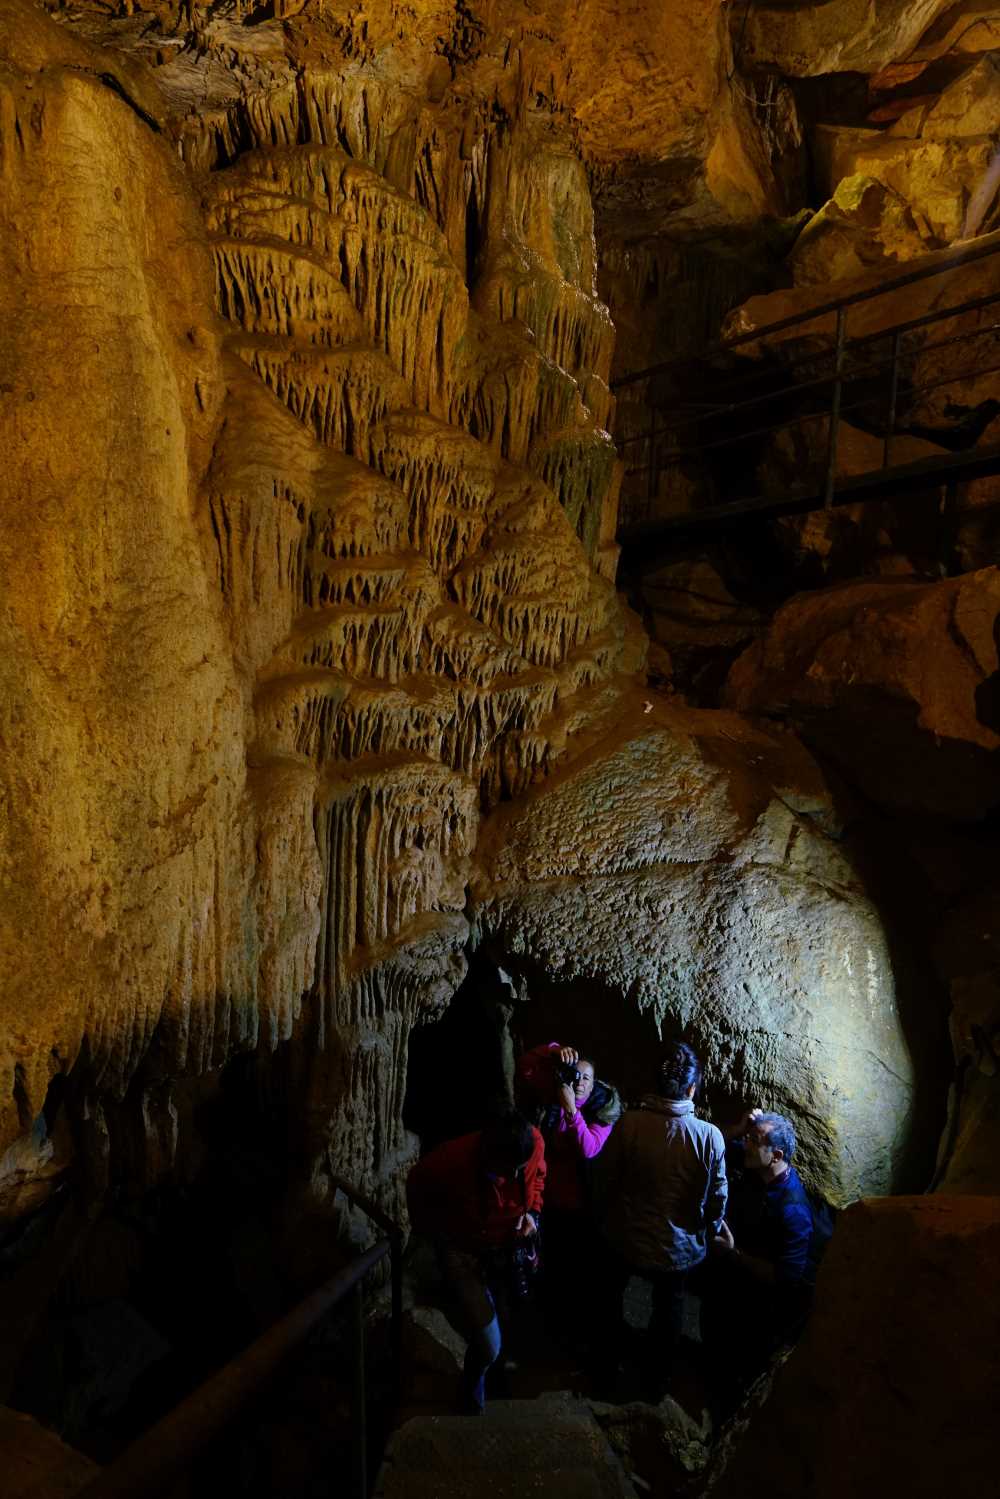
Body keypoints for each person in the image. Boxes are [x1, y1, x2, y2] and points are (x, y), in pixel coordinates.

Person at [594, 1040, 727, 1401]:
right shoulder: (709, 1137)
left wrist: (605, 1216)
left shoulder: (630, 1125)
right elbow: (717, 1198)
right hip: (677, 1249)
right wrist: (712, 1230)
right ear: (692, 1088)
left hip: (627, 1237)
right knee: (669, 1308)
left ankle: (606, 1371)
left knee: (610, 1297)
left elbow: (605, 1176)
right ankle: (656, 1383)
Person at [406, 1109, 545, 1413]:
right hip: (463, 1250)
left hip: (506, 1244)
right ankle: (473, 1385)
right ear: (489, 1156)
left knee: (505, 1312)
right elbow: (417, 1185)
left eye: (519, 1169)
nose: (514, 1178)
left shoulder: (532, 1142)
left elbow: (537, 1176)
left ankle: (492, 1378)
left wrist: (532, 1212)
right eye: (507, 1171)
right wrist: (435, 1234)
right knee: (488, 1340)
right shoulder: (451, 1161)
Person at [701, 1108, 813, 1407]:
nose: (746, 1145)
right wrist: (740, 1128)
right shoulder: (756, 1167)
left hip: (760, 1301)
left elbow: (787, 1276)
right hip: (732, 1277)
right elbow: (712, 1143)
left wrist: (733, 1253)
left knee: (740, 1357)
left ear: (776, 1155)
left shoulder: (793, 1210)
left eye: (754, 1140)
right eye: (748, 1139)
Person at [515, 1042, 622, 1335]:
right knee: (548, 1267)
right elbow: (525, 1067)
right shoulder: (554, 1096)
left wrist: (572, 1110)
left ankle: (574, 1328)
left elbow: (589, 1148)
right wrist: (554, 1051)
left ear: (594, 1083)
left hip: (582, 1205)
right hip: (547, 1198)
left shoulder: (602, 1109)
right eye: (575, 1075)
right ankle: (547, 1324)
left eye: (586, 1078)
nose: (579, 1081)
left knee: (575, 1270)